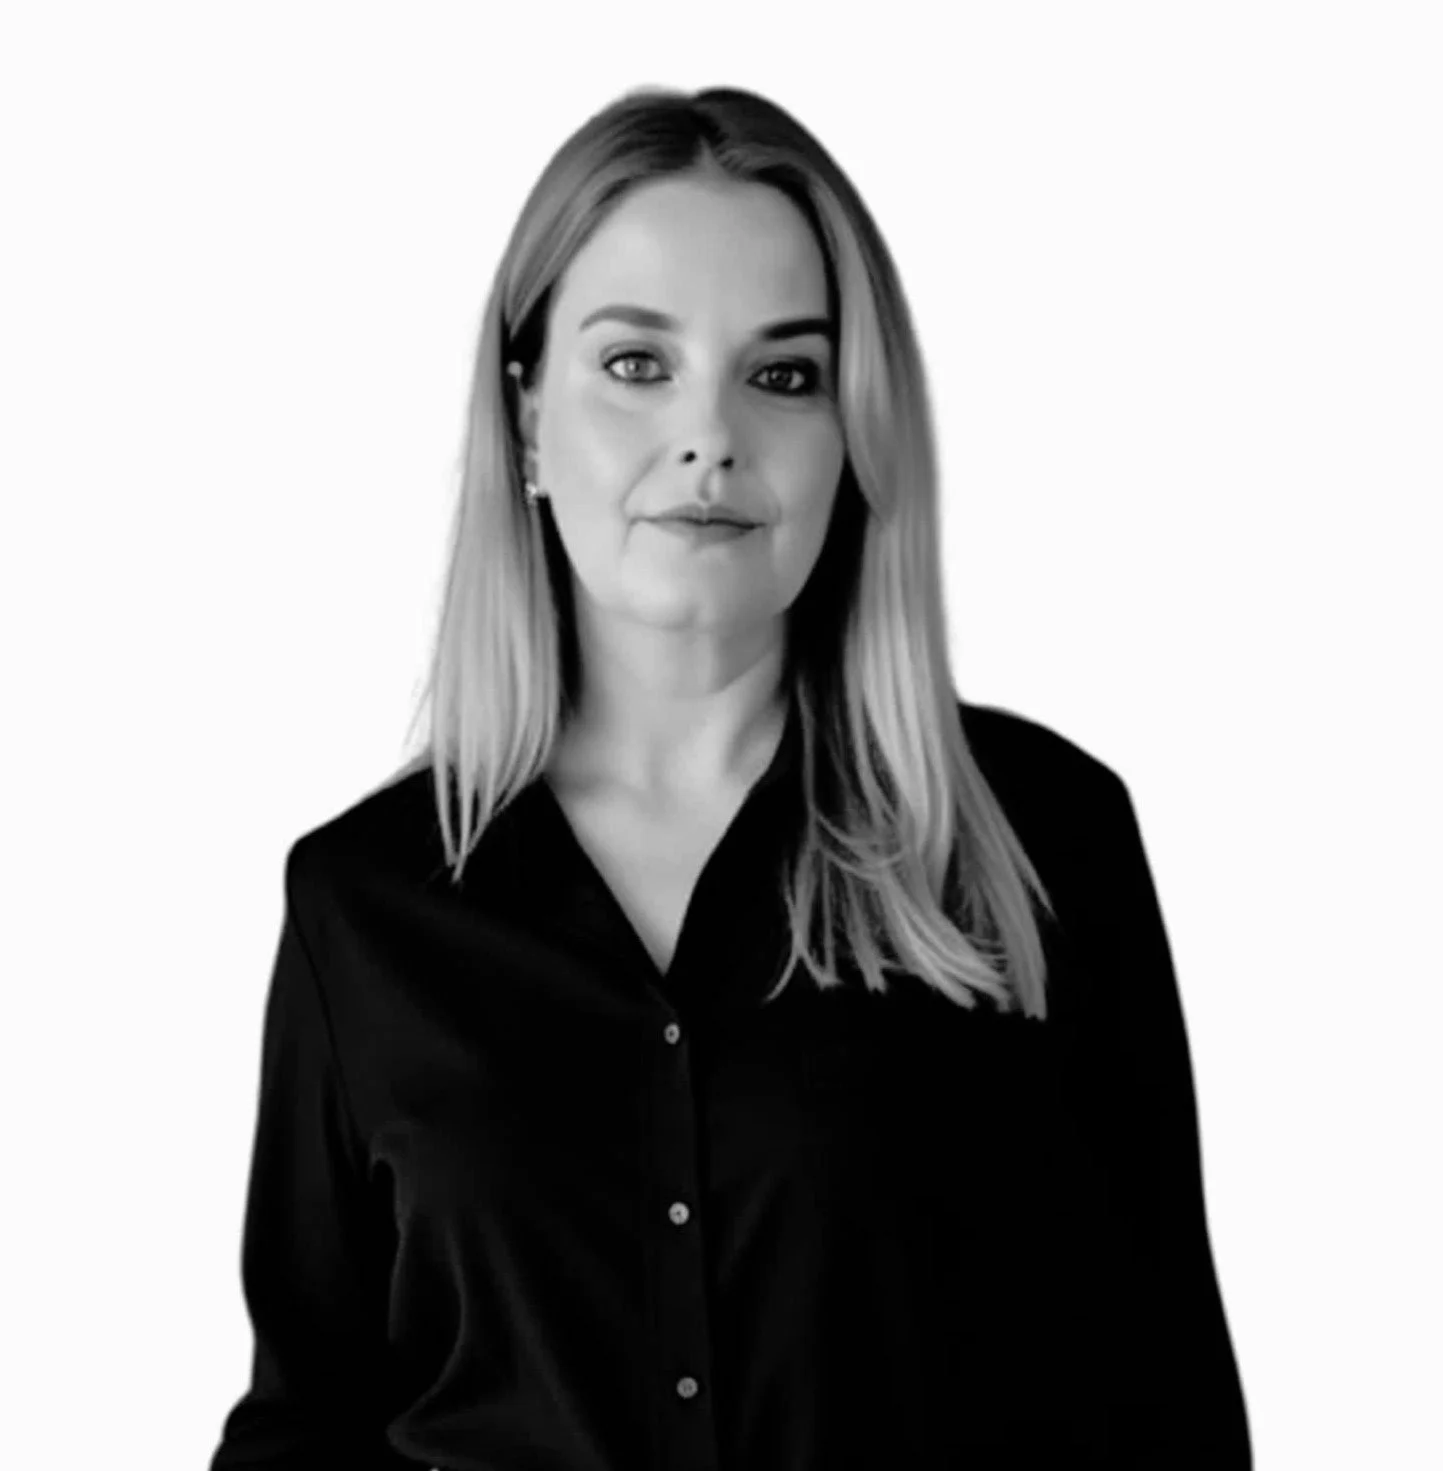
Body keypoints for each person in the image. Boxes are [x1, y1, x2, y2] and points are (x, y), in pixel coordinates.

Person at [209, 84, 1252, 1469]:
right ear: (527, 422)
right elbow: (307, 1427)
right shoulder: (367, 903)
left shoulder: (1037, 840)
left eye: (783, 375)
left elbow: (1163, 1410)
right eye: (637, 363)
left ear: (854, 434)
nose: (710, 436)